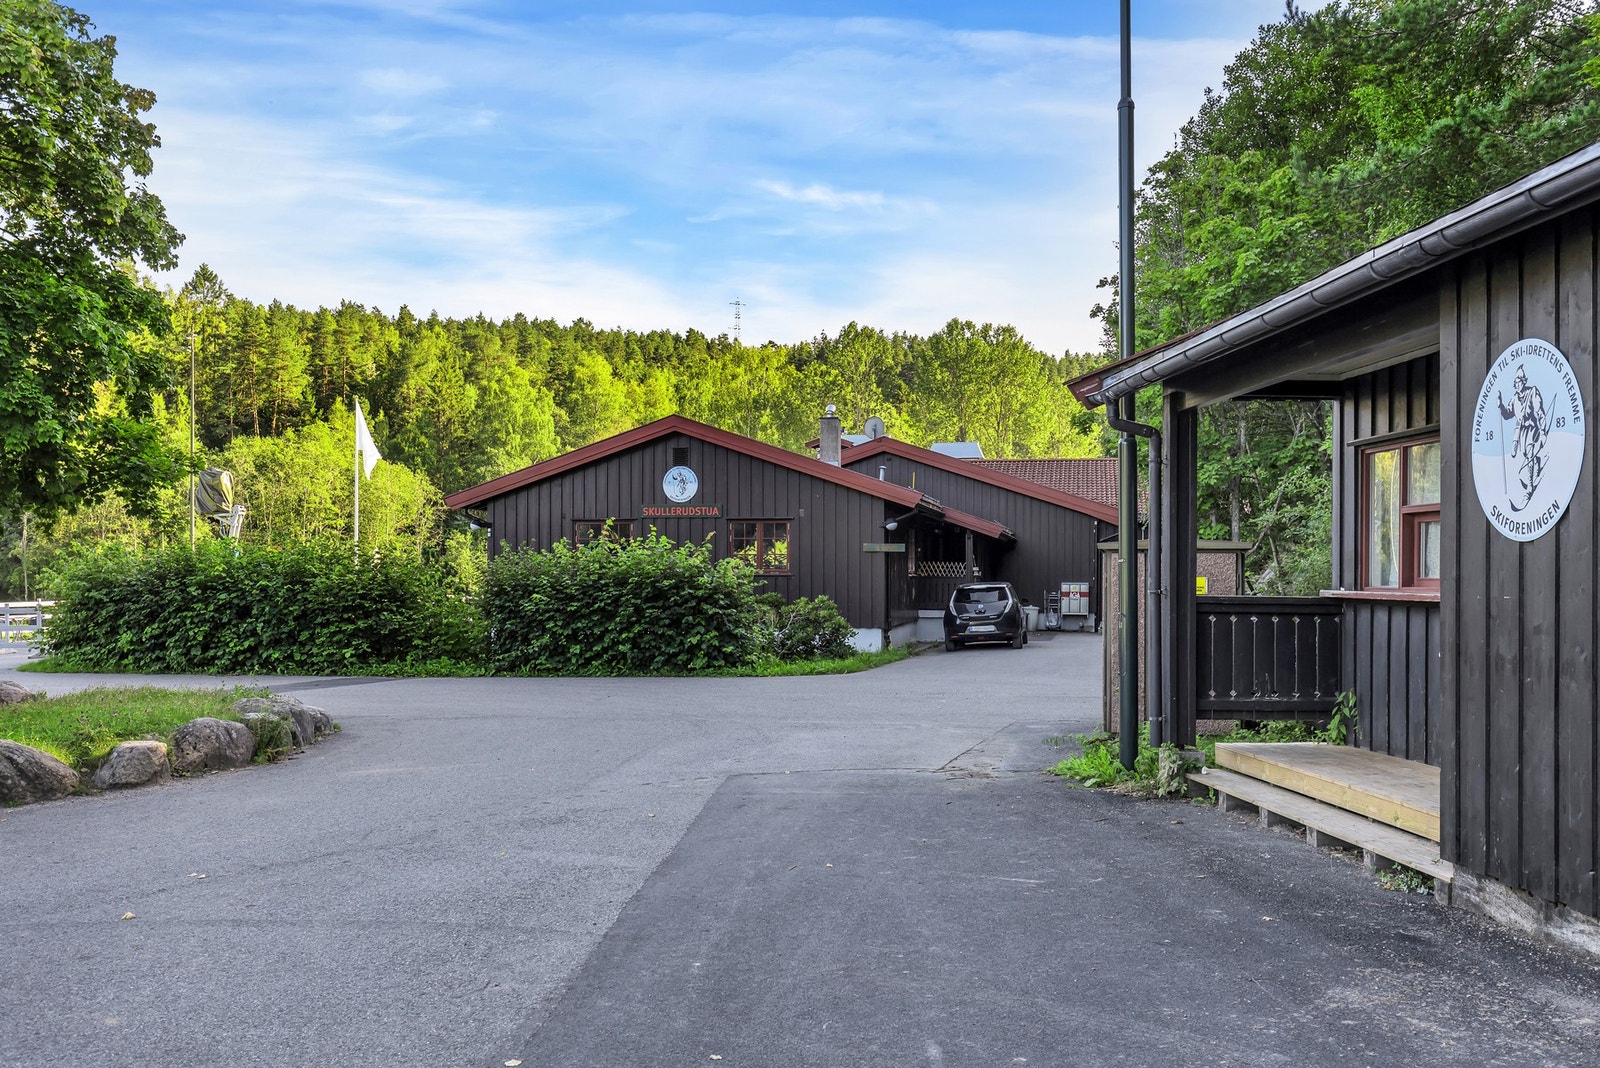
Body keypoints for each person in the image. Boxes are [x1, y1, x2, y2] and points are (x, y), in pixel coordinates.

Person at [1498, 365, 1548, 496]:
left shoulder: (1532, 392)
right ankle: (1537, 461)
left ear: (1524, 381)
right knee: (1523, 453)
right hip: (1520, 432)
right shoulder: (1515, 398)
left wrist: (1543, 431)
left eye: (1519, 381)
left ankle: (1530, 485)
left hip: (1532, 427)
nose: (1517, 384)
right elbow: (1508, 414)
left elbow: (1540, 412)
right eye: (1516, 382)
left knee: (1529, 452)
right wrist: (1501, 405)